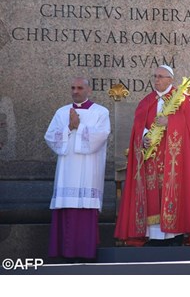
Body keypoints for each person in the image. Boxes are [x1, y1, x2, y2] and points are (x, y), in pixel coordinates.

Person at [114, 65, 190, 246]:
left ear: (171, 79)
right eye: (155, 76)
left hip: (176, 163)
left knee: (174, 194)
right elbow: (138, 129)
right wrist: (144, 137)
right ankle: (153, 237)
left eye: (161, 76)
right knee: (153, 195)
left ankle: (175, 236)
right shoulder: (146, 102)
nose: (156, 80)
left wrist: (170, 122)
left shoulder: (183, 101)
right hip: (151, 161)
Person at [44, 77, 110, 261]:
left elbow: (101, 136)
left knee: (84, 207)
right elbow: (49, 137)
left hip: (88, 169)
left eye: (80, 88)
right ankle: (62, 252)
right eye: (73, 87)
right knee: (66, 205)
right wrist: (68, 127)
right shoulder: (61, 112)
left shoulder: (100, 112)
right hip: (66, 169)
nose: (75, 91)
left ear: (89, 90)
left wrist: (79, 127)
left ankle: (85, 252)